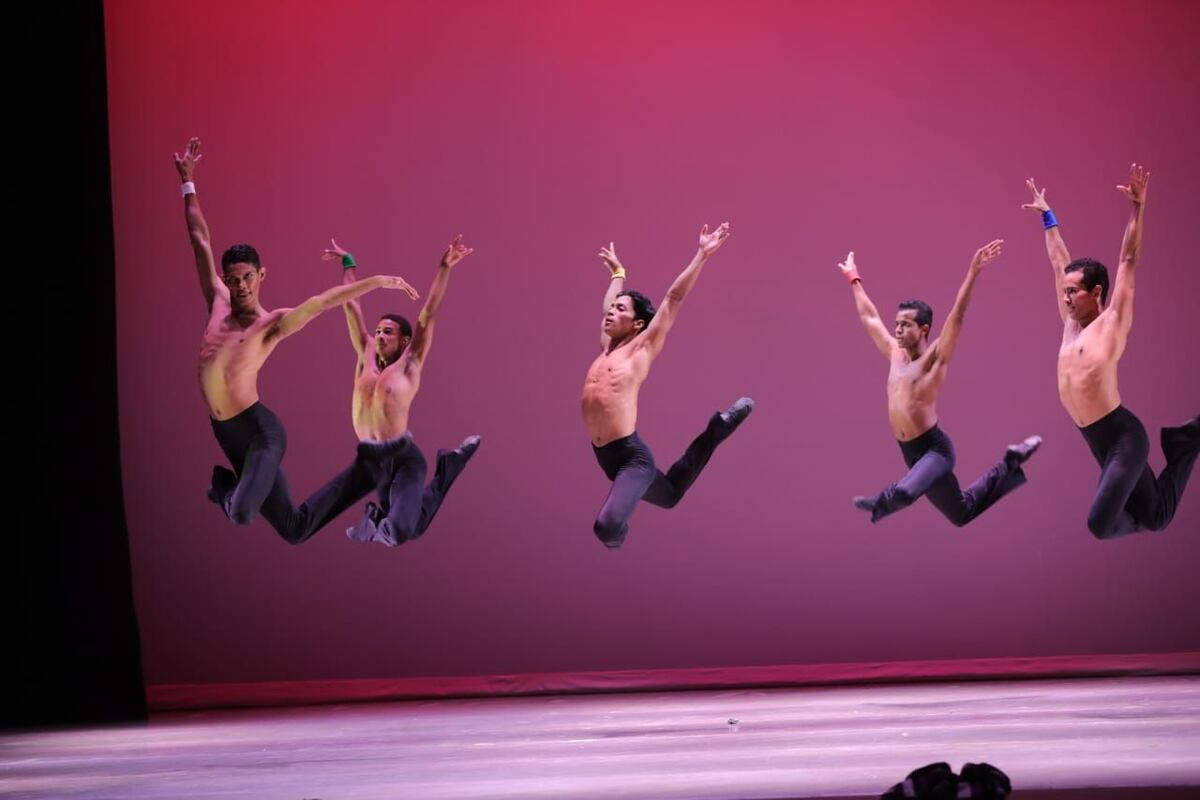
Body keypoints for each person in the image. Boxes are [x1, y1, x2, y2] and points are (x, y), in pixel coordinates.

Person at [175, 137, 419, 541]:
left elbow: (322, 303)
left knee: (239, 513)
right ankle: (361, 480)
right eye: (233, 279)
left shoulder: (271, 324)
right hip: (226, 433)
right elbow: (199, 240)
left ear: (261, 277)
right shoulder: (217, 301)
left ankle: (224, 488)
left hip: (260, 434)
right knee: (293, 529)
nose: (240, 287)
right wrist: (188, 184)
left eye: (248, 278)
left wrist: (375, 281)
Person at [1024, 166, 1198, 538]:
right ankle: (1186, 442)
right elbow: (1058, 261)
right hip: (1096, 441)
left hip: (1123, 437)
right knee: (1156, 517)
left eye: (1074, 291)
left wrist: (1138, 209)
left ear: (1098, 292)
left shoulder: (1112, 322)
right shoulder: (1069, 324)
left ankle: (1186, 442)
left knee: (1100, 524)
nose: (1066, 297)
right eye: (1065, 291)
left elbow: (1128, 261)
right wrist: (1047, 216)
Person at [839, 242, 1040, 525]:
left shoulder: (935, 357)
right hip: (911, 454)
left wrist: (973, 272)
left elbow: (957, 314)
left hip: (935, 451)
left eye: (905, 325)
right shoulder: (895, 355)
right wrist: (853, 278)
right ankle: (1010, 464)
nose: (897, 330)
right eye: (896, 324)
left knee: (905, 492)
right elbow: (869, 317)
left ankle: (881, 501)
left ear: (923, 329)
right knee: (961, 513)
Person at [582, 224, 754, 549]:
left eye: (620, 310)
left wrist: (701, 255)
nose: (610, 313)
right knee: (671, 495)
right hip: (607, 459)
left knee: (606, 527)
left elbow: (673, 299)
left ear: (636, 324)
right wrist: (618, 273)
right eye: (612, 308)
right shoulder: (607, 346)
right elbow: (608, 303)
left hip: (632, 459)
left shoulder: (640, 349)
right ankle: (717, 430)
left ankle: (616, 535)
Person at [324, 237, 482, 546]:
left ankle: (372, 524)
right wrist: (348, 263)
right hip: (374, 463)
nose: (380, 335)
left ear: (405, 341)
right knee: (411, 527)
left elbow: (429, 313)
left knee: (396, 532)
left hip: (404, 459)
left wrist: (444, 267)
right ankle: (449, 467)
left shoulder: (410, 364)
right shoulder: (365, 356)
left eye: (388, 332)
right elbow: (350, 304)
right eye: (379, 330)